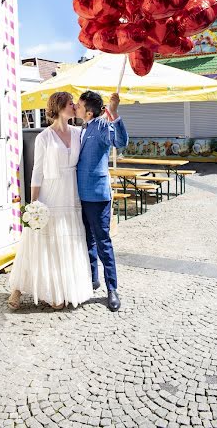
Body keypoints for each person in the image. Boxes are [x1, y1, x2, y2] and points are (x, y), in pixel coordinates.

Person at [8, 92, 93, 310]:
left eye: (74, 104)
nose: (74, 106)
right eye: (70, 104)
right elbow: (37, 172)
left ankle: (60, 288)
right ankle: (18, 288)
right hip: (49, 193)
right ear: (59, 107)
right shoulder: (43, 137)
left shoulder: (78, 133)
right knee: (39, 242)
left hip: (71, 193)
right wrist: (34, 204)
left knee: (67, 241)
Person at [75, 91, 129, 312]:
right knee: (87, 241)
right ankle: (93, 279)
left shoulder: (101, 125)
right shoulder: (81, 128)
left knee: (103, 242)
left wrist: (114, 113)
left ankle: (112, 289)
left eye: (78, 105)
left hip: (97, 195)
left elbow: (121, 142)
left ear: (88, 111)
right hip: (79, 195)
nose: (75, 107)